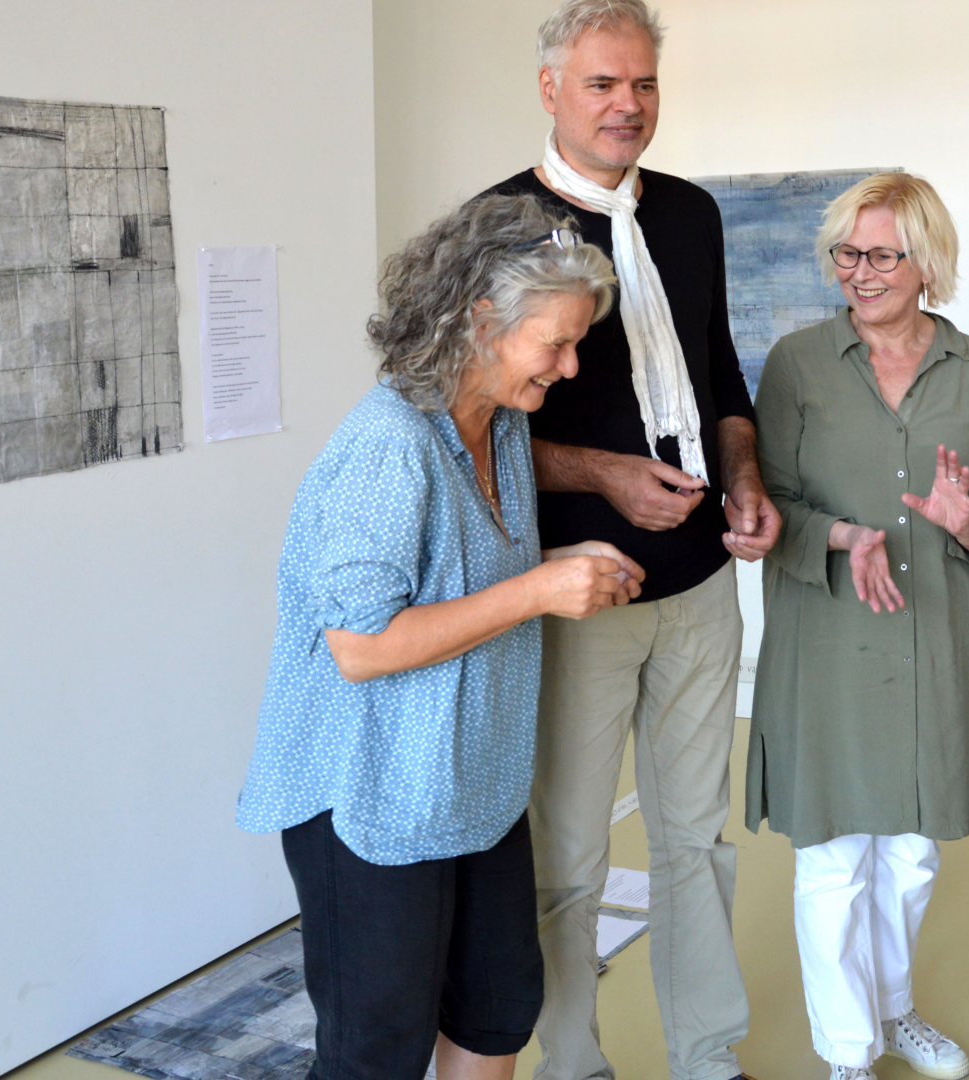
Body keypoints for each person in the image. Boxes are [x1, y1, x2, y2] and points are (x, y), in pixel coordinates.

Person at [235, 193, 633, 1080]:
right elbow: (361, 646)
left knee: (496, 1011)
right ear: (481, 320)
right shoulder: (389, 447)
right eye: (556, 343)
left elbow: (462, 582)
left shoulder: (502, 427)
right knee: (377, 1048)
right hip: (370, 800)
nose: (570, 369)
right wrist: (538, 588)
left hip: (471, 784)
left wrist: (567, 569)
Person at [476, 3, 778, 1079]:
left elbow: (721, 372)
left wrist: (743, 476)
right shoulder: (494, 228)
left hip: (701, 587)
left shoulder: (693, 213)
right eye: (603, 85)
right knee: (566, 856)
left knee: (698, 839)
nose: (628, 106)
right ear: (551, 89)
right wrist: (602, 472)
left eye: (643, 84)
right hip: (574, 590)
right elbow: (480, 427)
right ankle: (571, 1064)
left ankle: (706, 1055)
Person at [748, 172, 969, 1080]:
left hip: (939, 635)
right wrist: (840, 534)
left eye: (880, 255)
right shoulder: (795, 363)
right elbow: (766, 503)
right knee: (833, 860)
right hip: (828, 636)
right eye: (846, 253)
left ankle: (896, 1008)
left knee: (909, 855)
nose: (859, 273)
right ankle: (845, 1052)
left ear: (927, 263)